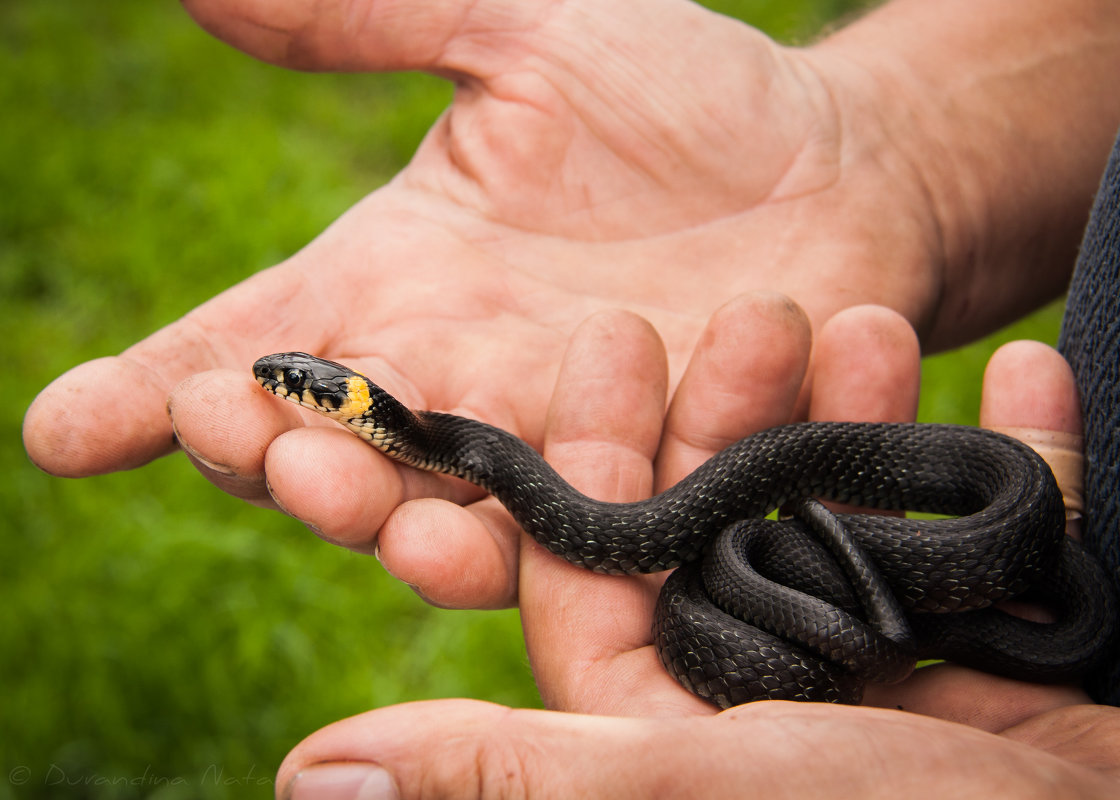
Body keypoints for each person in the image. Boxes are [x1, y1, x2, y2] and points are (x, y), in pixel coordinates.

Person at [20, 0, 1120, 795]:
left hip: (1050, 659)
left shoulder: (483, 457)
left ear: (353, 409)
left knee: (769, 548)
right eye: (302, 386)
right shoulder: (470, 448)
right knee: (770, 551)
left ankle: (904, 574)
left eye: (303, 387)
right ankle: (910, 575)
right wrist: (880, 143)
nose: (289, 389)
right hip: (1049, 629)